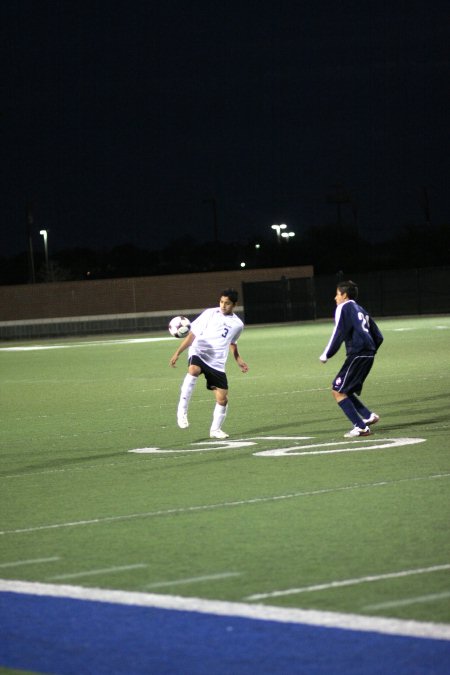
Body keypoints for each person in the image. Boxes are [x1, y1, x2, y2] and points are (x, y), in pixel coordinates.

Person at [169, 289, 249, 438]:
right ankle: (182, 412)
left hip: (217, 361)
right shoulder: (210, 313)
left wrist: (238, 359)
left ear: (234, 305)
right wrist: (177, 352)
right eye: (221, 302)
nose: (223, 305)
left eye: (227, 303)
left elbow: (232, 342)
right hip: (199, 351)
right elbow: (192, 334)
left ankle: (215, 430)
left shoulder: (238, 324)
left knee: (222, 399)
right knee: (193, 370)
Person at [319, 279, 383, 438]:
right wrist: (370, 350)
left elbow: (338, 332)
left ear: (344, 295)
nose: (335, 298)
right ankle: (368, 416)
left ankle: (360, 427)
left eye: (337, 294)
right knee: (345, 389)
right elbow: (379, 336)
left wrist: (327, 353)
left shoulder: (344, 307)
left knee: (337, 390)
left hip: (358, 354)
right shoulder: (361, 309)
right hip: (368, 354)